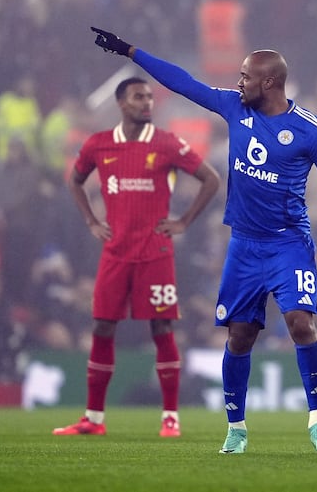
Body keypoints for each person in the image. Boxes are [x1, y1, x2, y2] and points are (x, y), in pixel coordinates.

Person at [89, 27, 317, 453]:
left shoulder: (310, 130)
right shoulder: (233, 107)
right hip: (243, 245)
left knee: (301, 323)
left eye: (245, 76)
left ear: (269, 83)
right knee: (240, 337)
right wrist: (130, 52)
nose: (237, 83)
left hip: (288, 243)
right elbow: (181, 81)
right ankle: (236, 429)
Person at [52, 77, 220, 438]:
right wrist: (92, 221)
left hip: (155, 254)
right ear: (121, 104)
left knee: (162, 329)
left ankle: (170, 417)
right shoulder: (99, 144)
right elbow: (76, 180)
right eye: (138, 97)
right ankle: (93, 419)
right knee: (102, 327)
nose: (147, 103)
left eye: (149, 97)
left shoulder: (167, 143)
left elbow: (211, 179)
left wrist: (184, 221)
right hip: (115, 253)